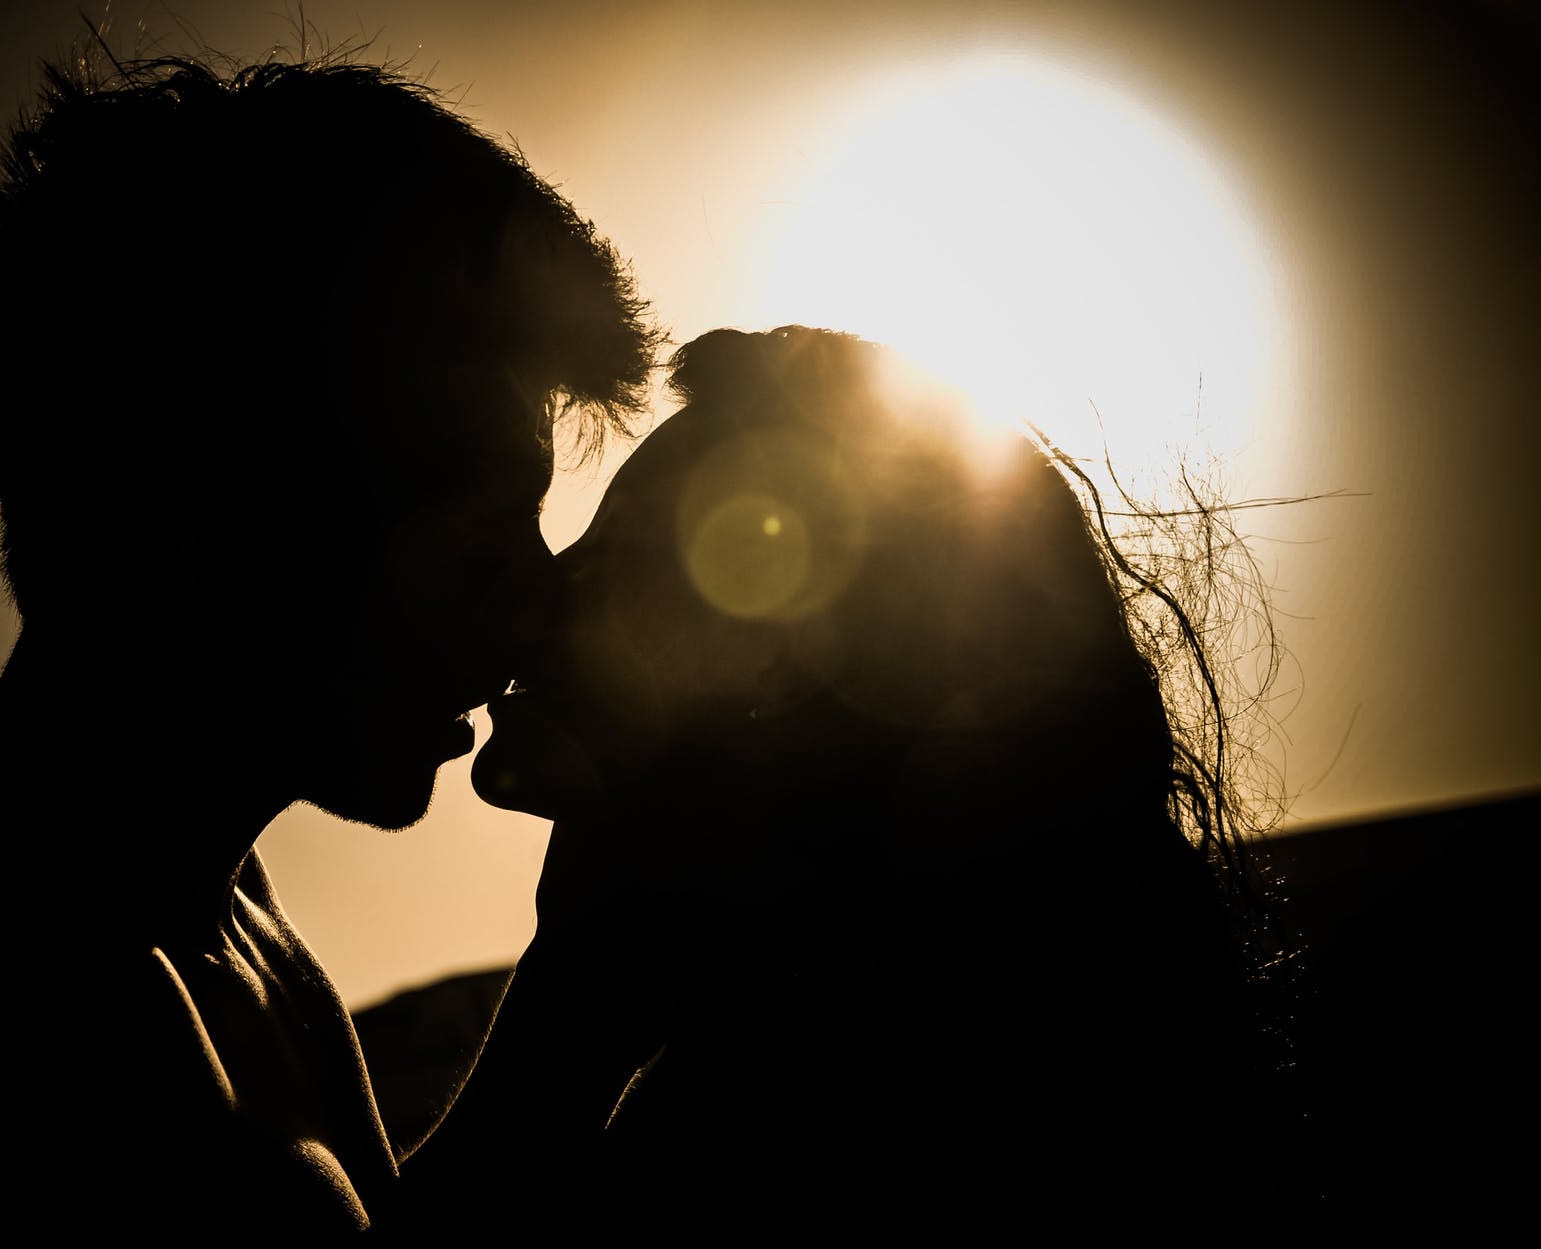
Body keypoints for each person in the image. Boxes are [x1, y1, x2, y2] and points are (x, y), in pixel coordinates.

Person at [0, 52, 658, 1232]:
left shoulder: (207, 898)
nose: (534, 611)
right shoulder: (18, 1038)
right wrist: (586, 1009)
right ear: (250, 537)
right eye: (480, 554)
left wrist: (589, 974)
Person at [472, 326, 1307, 1233]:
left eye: (619, 549)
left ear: (788, 659)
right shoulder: (923, 1035)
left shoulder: (801, 1131)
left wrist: (556, 1046)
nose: (549, 587)